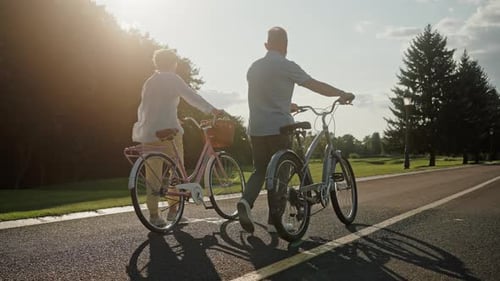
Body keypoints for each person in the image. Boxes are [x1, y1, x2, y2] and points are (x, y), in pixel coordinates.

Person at [237, 26, 355, 233]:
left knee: (260, 170)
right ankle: (276, 223)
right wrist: (341, 93)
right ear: (286, 46)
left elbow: (265, 93)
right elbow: (314, 85)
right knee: (281, 174)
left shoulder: (254, 67)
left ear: (266, 45)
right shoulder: (286, 65)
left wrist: (287, 103)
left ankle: (245, 202)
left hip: (256, 128)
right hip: (279, 128)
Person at [132, 48, 223, 227]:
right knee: (177, 172)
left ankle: (154, 216)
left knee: (153, 174)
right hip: (169, 132)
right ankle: (174, 212)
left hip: (149, 132)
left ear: (156, 63)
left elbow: (149, 106)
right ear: (173, 63)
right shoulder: (172, 78)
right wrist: (212, 109)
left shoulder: (149, 81)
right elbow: (192, 97)